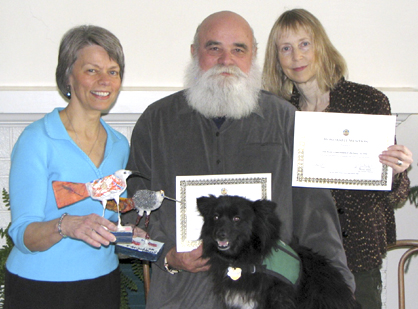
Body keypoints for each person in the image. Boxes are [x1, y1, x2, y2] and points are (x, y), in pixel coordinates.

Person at [126, 11, 354, 308]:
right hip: (182, 295)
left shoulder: (286, 120)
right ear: (195, 53)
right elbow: (132, 210)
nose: (226, 60)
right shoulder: (156, 122)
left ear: (254, 55)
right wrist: (167, 254)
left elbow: (318, 219)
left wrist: (337, 293)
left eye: (238, 49)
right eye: (214, 48)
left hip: (271, 295)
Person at [262, 8, 413, 309]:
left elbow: (396, 191)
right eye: (286, 48)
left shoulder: (367, 101)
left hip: (358, 250)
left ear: (321, 45)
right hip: (298, 254)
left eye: (304, 44)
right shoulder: (276, 114)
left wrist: (396, 170)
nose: (296, 57)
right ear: (276, 59)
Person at [5, 25, 130, 309]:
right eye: (91, 70)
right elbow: (22, 234)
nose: (104, 81)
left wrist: (131, 232)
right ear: (68, 76)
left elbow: (108, 216)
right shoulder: (37, 140)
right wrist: (66, 225)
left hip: (103, 284)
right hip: (39, 289)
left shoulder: (120, 145)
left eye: (113, 71)